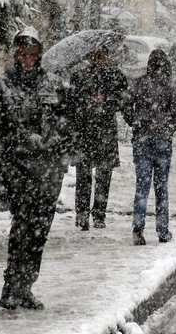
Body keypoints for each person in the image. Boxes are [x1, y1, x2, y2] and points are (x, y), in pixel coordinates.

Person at [0, 26, 70, 310]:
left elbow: (64, 124)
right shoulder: (2, 85)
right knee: (21, 229)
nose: (27, 59)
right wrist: (0, 172)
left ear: (40, 54)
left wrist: (57, 151)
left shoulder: (53, 84)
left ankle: (26, 286)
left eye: (32, 53)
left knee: (39, 232)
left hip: (47, 171)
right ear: (15, 53)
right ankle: (11, 286)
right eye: (23, 53)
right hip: (17, 169)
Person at [124, 49, 176, 246]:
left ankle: (138, 228)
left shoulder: (139, 83)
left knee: (142, 186)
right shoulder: (170, 86)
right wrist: (167, 128)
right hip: (162, 141)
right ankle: (162, 229)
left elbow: (125, 105)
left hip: (142, 139)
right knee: (161, 186)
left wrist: (135, 122)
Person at [67, 47, 128, 230]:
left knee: (103, 176)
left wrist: (106, 103)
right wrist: (88, 104)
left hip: (105, 132)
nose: (101, 60)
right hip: (85, 132)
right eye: (97, 56)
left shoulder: (116, 76)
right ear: (91, 57)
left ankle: (99, 214)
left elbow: (122, 99)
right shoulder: (79, 76)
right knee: (83, 176)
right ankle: (82, 215)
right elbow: (72, 103)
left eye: (103, 56)